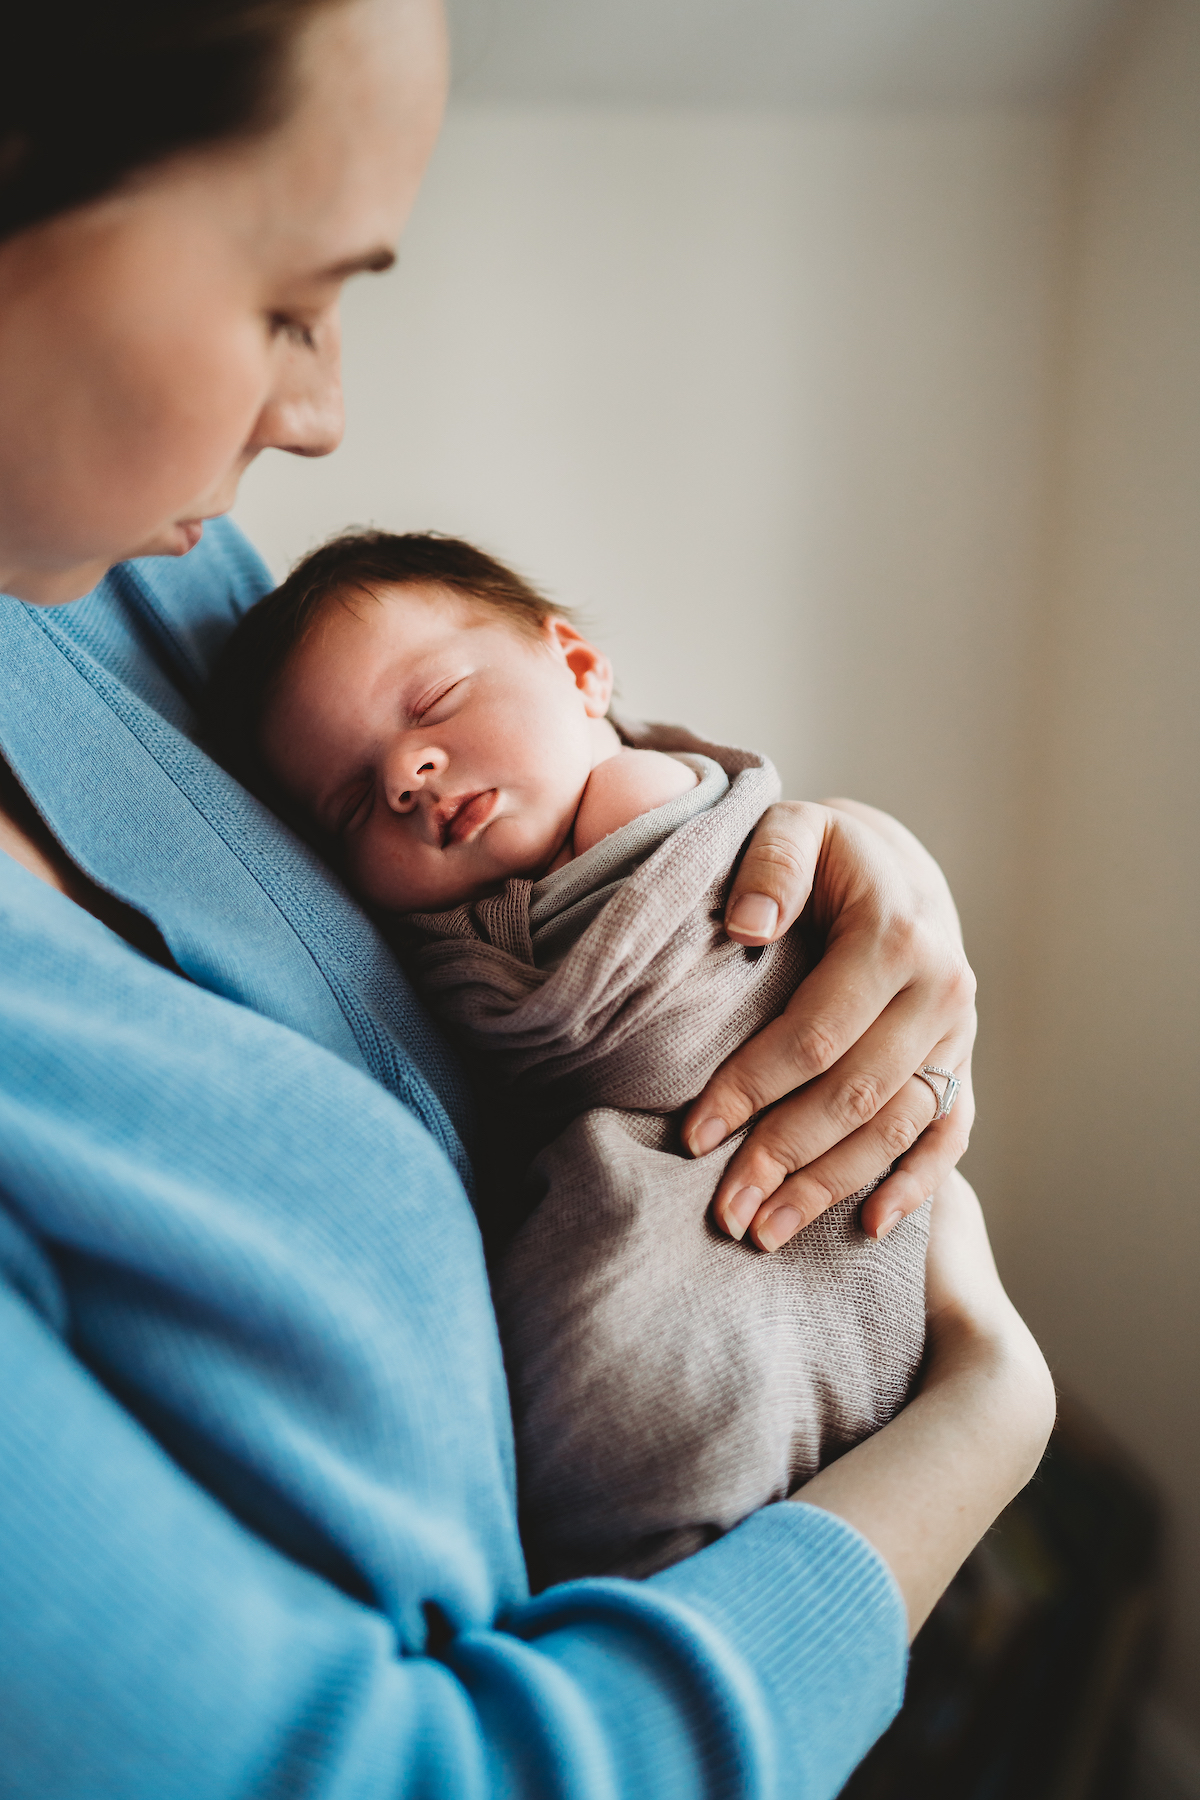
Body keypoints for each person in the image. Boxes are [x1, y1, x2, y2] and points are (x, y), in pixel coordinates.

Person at [0, 3, 1054, 1796]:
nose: (321, 411)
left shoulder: (107, 584)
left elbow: (526, 791)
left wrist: (817, 859)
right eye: (287, 298)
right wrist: (983, 1419)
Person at [205, 526, 938, 1588]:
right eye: (354, 805)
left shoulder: (665, 798)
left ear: (581, 669)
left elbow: (739, 969)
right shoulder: (440, 964)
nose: (408, 775)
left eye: (435, 703)